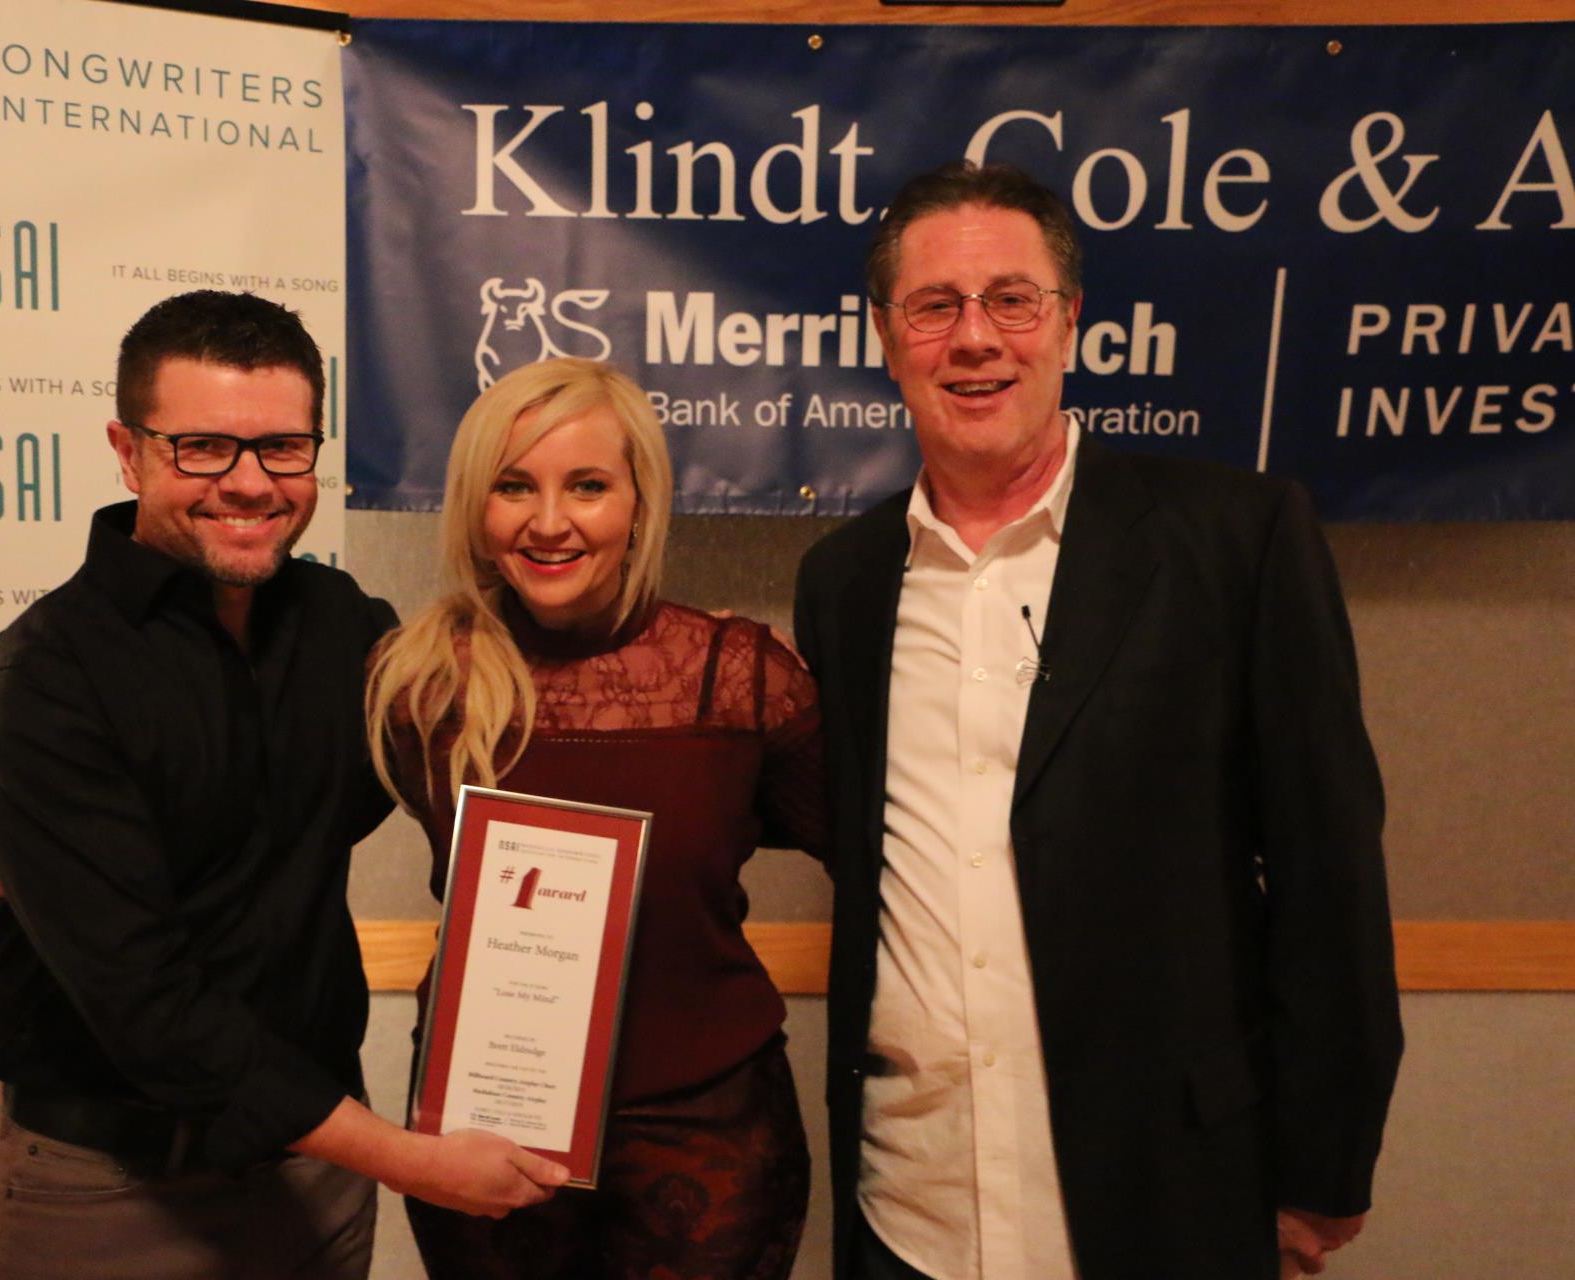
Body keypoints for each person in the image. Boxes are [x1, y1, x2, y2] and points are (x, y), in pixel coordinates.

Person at [793, 163, 1403, 1280]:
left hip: (1167, 1200)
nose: (975, 338)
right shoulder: (844, 583)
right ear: (885, 337)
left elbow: (1330, 872)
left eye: (1011, 300)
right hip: (911, 1211)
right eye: (934, 306)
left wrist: (1324, 1162)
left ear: (1071, 319)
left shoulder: (1236, 539)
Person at [0, 290, 567, 1280]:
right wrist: (412, 1161)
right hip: (114, 1191)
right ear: (129, 451)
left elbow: (486, 763)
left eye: (282, 448)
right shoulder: (45, 682)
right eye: (201, 447)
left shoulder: (346, 626)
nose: (248, 483)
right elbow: (152, 1010)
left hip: (317, 1185)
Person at [366, 356, 823, 1280]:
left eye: (587, 485)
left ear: (640, 503)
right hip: (489, 1126)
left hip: (707, 1131)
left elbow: (882, 848)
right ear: (474, 507)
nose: (548, 521)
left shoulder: (736, 677)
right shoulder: (420, 685)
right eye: (513, 486)